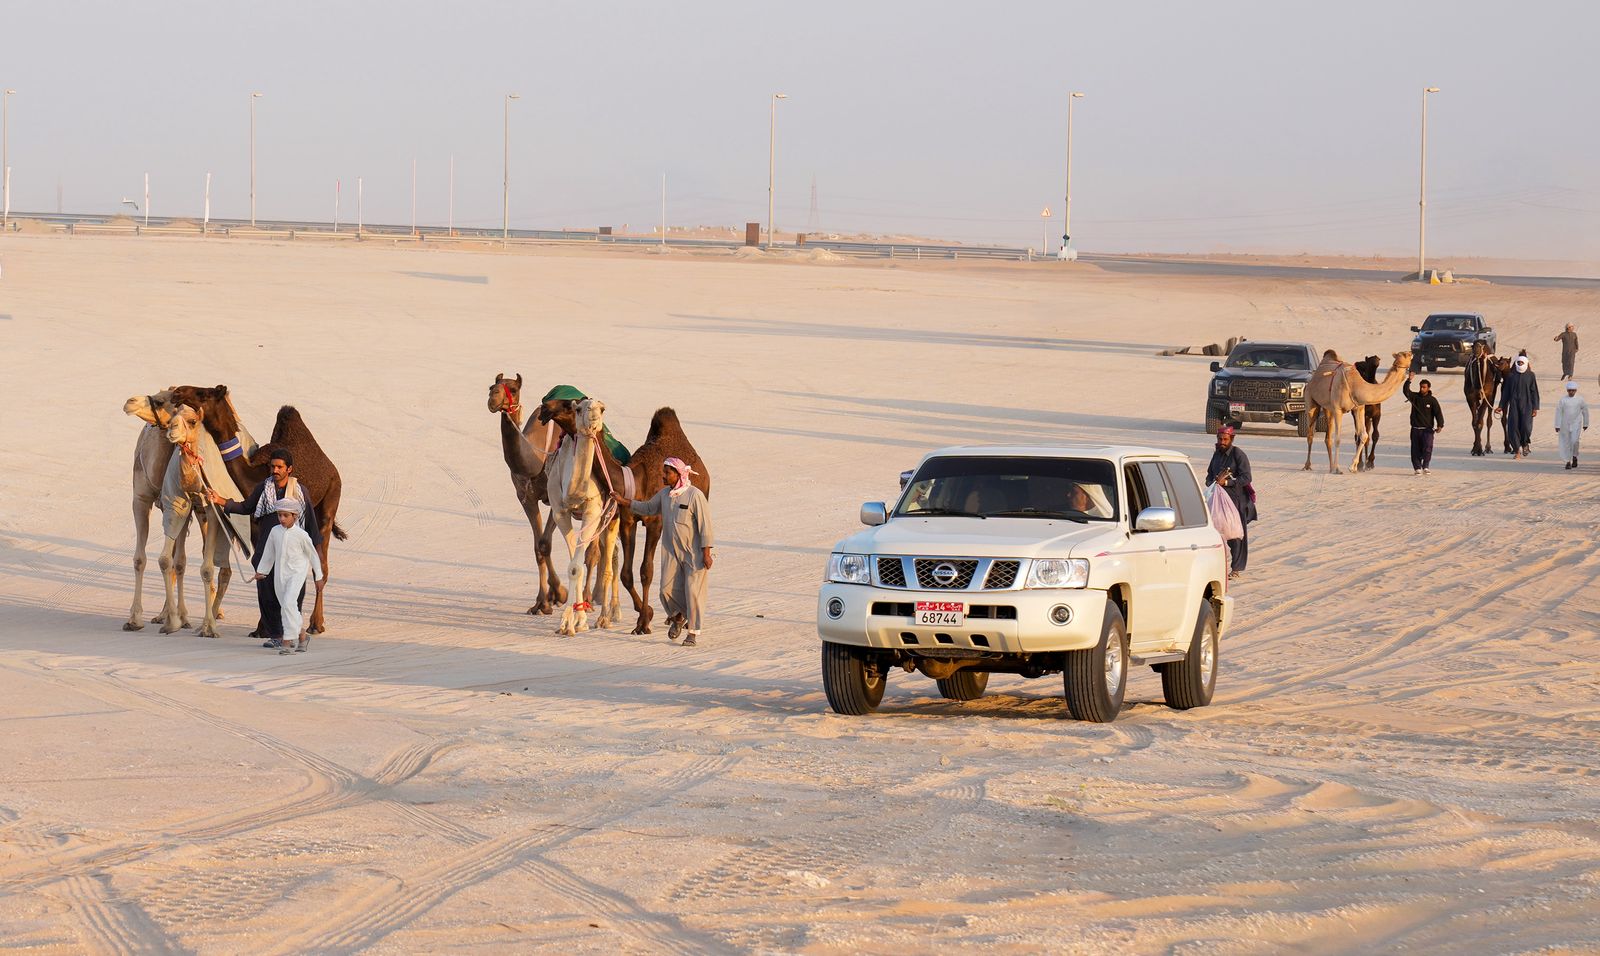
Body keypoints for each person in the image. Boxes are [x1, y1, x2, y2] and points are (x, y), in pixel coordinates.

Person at [209, 449, 322, 648]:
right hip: (267, 552)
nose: (275, 470)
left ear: (289, 469)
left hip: (293, 556)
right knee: (267, 595)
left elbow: (311, 527)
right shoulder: (263, 488)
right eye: (272, 466)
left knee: (292, 597)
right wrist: (220, 501)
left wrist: (318, 565)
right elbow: (246, 508)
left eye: (279, 467)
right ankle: (277, 635)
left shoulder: (300, 492)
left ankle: (293, 635)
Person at [613, 457, 713, 646]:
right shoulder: (664, 495)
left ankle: (691, 633)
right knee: (666, 590)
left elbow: (705, 526)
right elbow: (648, 508)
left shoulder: (694, 495)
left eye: (667, 473)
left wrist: (706, 553)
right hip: (671, 551)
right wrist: (624, 502)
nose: (663, 476)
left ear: (678, 474)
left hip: (694, 554)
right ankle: (677, 616)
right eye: (664, 472)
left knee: (693, 592)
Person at [252, 499, 324, 654]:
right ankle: (302, 636)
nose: (282, 519)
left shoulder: (302, 535)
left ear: (295, 516)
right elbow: (269, 553)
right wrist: (262, 571)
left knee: (289, 602)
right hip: (280, 574)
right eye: (279, 515)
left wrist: (318, 576)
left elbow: (313, 556)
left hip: (296, 573)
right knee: (286, 607)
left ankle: (287, 642)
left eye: (286, 515)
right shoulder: (274, 532)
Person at [1205, 426, 1255, 579]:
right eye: (1220, 439)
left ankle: (1236, 568)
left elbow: (1246, 478)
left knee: (1235, 536)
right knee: (1215, 533)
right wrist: (1212, 482)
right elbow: (1208, 476)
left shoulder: (1238, 454)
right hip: (1217, 502)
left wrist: (1227, 483)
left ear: (1231, 439)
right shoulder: (1216, 455)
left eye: (1225, 439)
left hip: (1236, 501)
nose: (1222, 442)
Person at [1497, 354, 1541, 460]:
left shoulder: (1531, 375)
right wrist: (1501, 406)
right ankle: (1517, 451)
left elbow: (1534, 391)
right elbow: (1506, 392)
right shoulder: (1511, 376)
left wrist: (1535, 407)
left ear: (1525, 363)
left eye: (1522, 363)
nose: (1520, 364)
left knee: (1526, 426)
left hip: (1527, 405)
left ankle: (1525, 444)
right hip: (1514, 405)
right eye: (1519, 362)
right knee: (1513, 428)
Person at [1402, 372, 1446, 474]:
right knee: (1415, 450)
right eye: (1421, 387)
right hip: (1415, 429)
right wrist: (1409, 380)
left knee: (1427, 448)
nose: (1422, 389)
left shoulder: (1432, 400)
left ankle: (1426, 466)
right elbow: (1406, 391)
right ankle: (1417, 468)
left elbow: (1438, 413)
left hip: (1427, 430)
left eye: (1424, 387)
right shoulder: (1415, 397)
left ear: (1428, 388)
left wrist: (1440, 425)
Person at [1555, 380, 1590, 470]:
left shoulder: (1580, 399)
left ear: (1576, 390)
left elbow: (1585, 411)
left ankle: (1574, 456)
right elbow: (1558, 412)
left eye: (1573, 390)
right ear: (1567, 390)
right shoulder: (1563, 400)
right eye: (1569, 390)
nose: (1571, 392)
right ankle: (1568, 461)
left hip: (1576, 424)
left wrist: (1586, 423)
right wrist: (1557, 425)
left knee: (1574, 441)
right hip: (1564, 424)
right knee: (1566, 443)